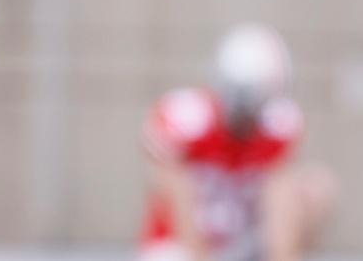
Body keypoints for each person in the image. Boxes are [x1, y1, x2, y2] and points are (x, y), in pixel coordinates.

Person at [138, 23, 336, 261]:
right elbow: (180, 207)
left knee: (316, 188)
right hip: (182, 246)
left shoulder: (277, 124)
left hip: (238, 241)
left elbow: (279, 204)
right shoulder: (185, 118)